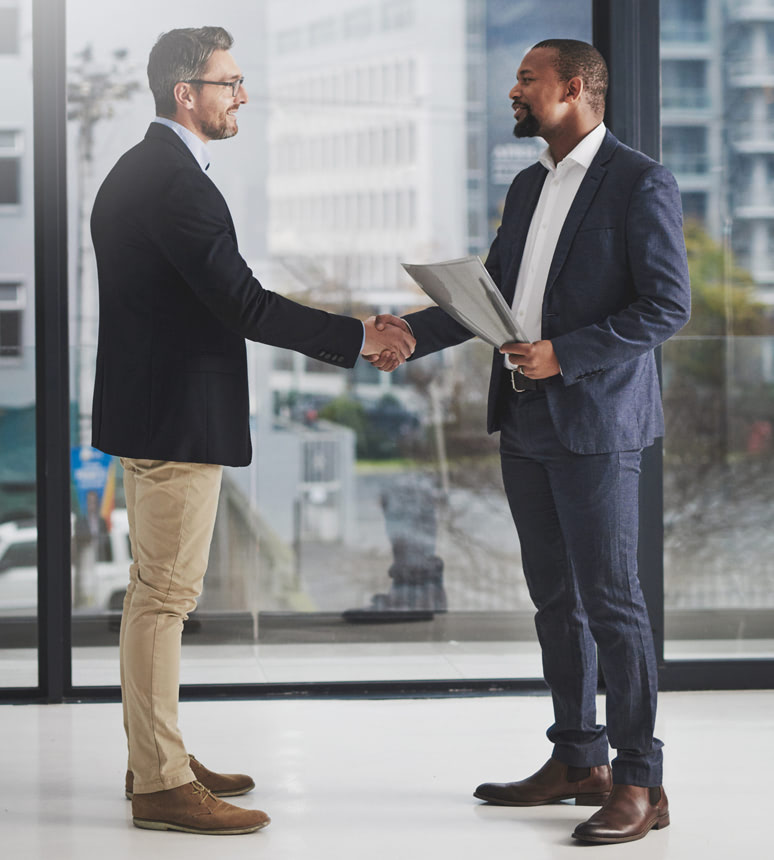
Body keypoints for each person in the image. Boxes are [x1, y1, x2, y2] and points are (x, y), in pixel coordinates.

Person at [90, 26, 414, 836]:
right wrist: (357, 337)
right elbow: (244, 303)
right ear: (185, 95)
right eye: (229, 83)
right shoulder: (174, 182)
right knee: (164, 598)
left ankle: (154, 754)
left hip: (155, 408)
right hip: (174, 419)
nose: (242, 96)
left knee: (152, 594)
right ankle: (161, 782)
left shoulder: (148, 171)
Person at [368, 39, 690, 844]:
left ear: (575, 88)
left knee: (615, 606)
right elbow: (494, 299)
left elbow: (666, 306)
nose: (513, 90)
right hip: (526, 421)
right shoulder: (526, 185)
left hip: (597, 424)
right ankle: (579, 761)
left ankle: (642, 782)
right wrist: (408, 331)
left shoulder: (638, 180)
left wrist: (564, 354)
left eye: (528, 79)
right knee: (556, 602)